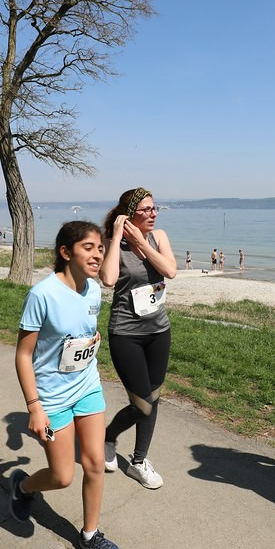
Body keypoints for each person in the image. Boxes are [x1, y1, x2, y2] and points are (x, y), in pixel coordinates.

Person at [7, 221, 121, 549]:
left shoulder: (94, 291)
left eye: (101, 248)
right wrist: (34, 407)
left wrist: (92, 339)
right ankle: (23, 487)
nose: (98, 254)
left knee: (95, 463)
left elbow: (85, 329)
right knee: (62, 476)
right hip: (52, 398)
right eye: (89, 247)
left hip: (86, 387)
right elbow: (23, 355)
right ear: (66, 252)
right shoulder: (42, 295)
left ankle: (90, 536)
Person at [99, 188, 177, 490]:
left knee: (153, 398)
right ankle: (109, 437)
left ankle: (139, 460)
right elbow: (107, 279)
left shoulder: (159, 237)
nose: (153, 214)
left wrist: (142, 243)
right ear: (129, 214)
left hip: (159, 331)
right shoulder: (112, 244)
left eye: (154, 208)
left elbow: (169, 270)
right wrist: (119, 238)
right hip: (125, 333)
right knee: (142, 403)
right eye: (146, 210)